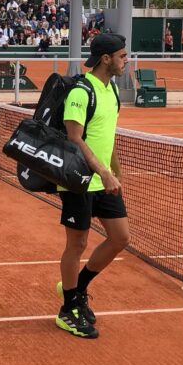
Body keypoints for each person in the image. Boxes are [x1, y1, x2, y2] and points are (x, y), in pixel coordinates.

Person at [56, 33, 130, 339]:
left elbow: (106, 135)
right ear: (105, 59)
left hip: (104, 180)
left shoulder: (112, 89)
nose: (126, 61)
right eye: (122, 56)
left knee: (120, 238)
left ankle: (79, 288)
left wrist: (116, 171)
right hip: (78, 180)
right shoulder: (80, 92)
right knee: (77, 245)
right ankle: (68, 310)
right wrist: (102, 171)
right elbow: (74, 138)